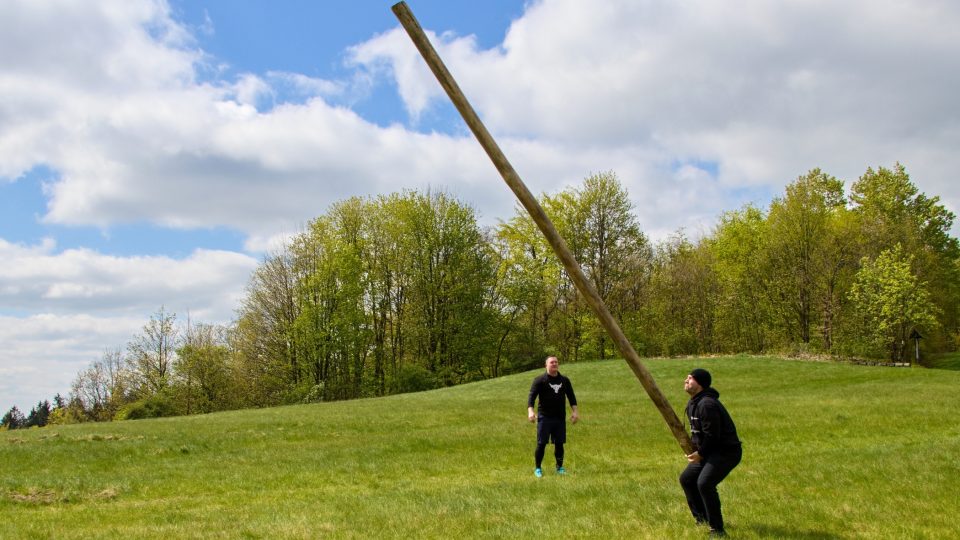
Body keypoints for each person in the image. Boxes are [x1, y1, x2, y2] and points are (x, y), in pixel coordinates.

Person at [679, 368, 742, 538]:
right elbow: (699, 433)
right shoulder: (694, 403)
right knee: (687, 479)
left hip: (726, 452)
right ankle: (702, 520)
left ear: (699, 383)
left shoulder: (707, 404)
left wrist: (700, 453)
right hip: (709, 451)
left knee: (705, 484)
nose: (686, 380)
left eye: (690, 378)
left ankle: (717, 530)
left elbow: (713, 435)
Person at [527, 356, 578, 477]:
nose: (554, 364)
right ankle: (538, 468)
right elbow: (531, 397)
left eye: (556, 362)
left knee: (559, 443)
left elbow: (571, 396)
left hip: (559, 417)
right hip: (545, 417)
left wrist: (575, 412)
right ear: (546, 365)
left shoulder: (564, 380)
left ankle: (559, 468)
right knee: (541, 443)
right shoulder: (540, 380)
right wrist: (530, 411)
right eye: (551, 362)